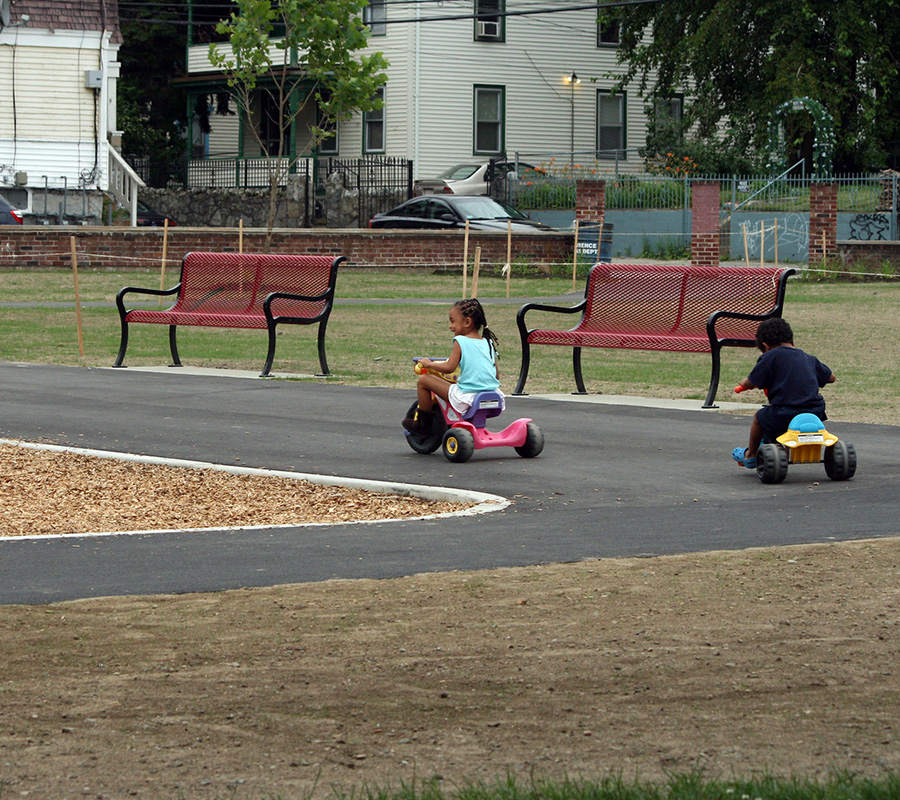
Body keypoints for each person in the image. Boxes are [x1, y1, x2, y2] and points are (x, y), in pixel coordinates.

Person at [732, 317, 836, 468]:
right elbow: (831, 378)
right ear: (791, 341)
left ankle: (751, 454)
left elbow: (751, 381)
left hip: (785, 413)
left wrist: (744, 384)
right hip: (815, 411)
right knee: (773, 415)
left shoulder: (769, 357)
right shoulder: (808, 358)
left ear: (765, 346)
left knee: (760, 417)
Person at [402, 298, 502, 435]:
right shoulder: (488, 342)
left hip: (467, 398)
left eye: (452, 321)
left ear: (467, 322)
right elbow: (496, 375)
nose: (450, 326)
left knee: (424, 380)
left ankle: (422, 425)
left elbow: (449, 367)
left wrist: (429, 364)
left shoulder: (460, 341)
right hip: (494, 396)